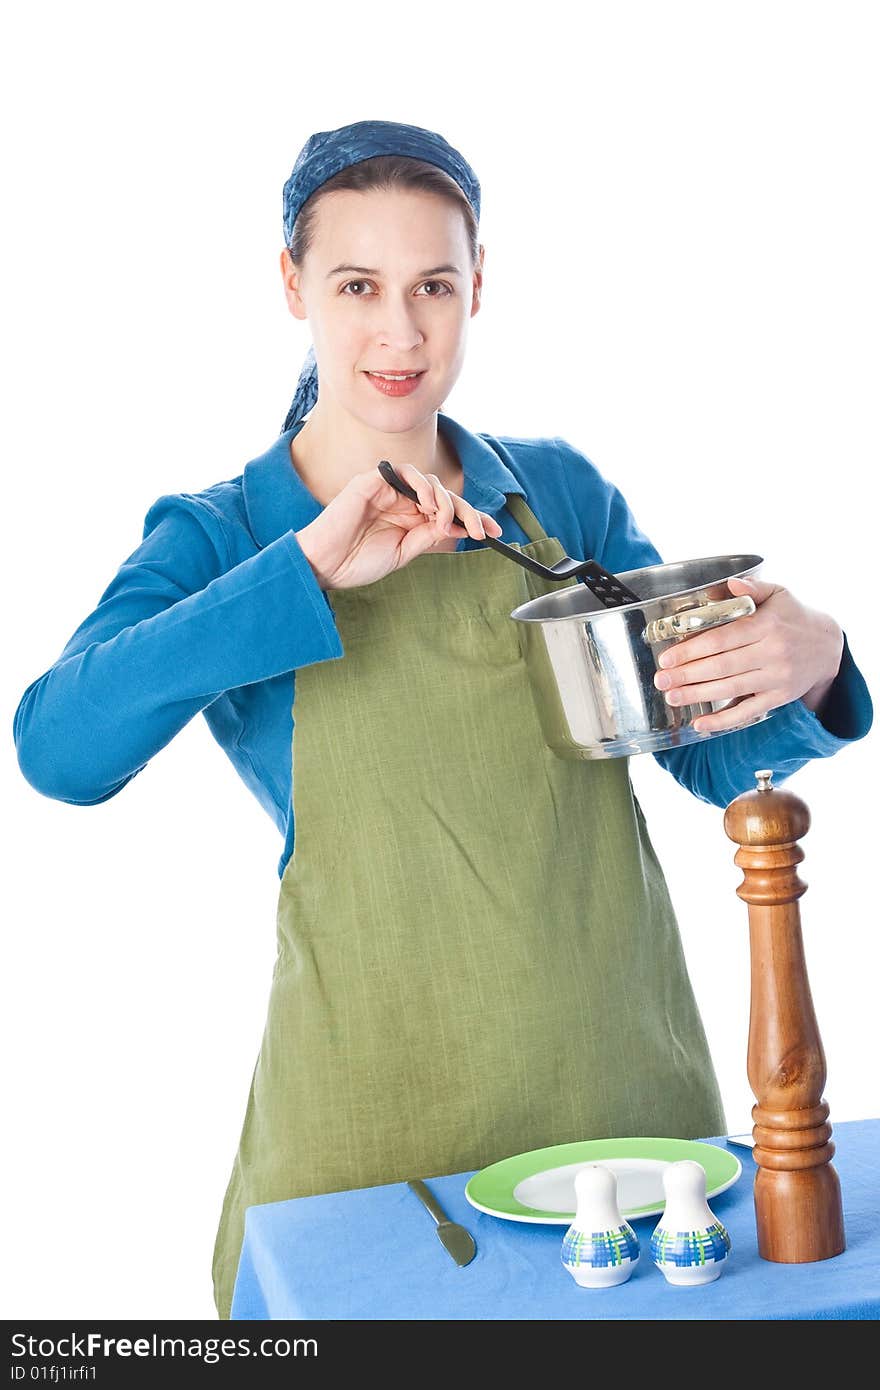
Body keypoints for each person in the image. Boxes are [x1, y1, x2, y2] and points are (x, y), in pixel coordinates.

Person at [13, 119, 873, 1321]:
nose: (400, 333)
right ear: (291, 286)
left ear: (480, 285)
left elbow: (714, 751)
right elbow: (58, 748)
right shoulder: (223, 533)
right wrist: (305, 570)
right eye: (357, 285)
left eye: (434, 286)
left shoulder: (556, 496)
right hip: (374, 1138)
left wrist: (817, 664)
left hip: (623, 1106)